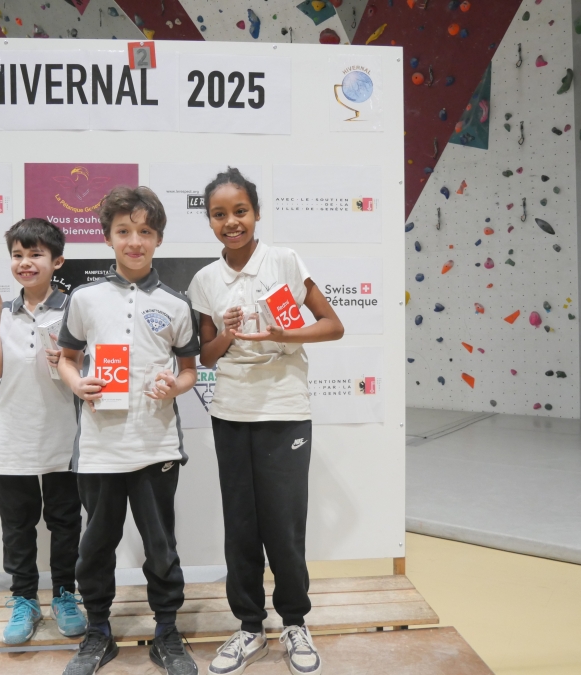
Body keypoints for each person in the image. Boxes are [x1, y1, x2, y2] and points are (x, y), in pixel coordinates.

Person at [187, 168, 344, 675]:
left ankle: (295, 622)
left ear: (256, 213)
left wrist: (284, 334)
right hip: (231, 411)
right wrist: (228, 334)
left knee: (284, 522)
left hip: (285, 408)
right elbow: (206, 356)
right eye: (220, 214)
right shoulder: (205, 280)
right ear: (210, 221)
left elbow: (333, 325)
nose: (231, 222)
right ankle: (249, 627)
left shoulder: (285, 261)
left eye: (240, 211)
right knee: (241, 524)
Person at [57, 186, 199, 675]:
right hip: (99, 449)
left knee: (161, 546)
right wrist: (78, 383)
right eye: (123, 231)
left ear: (158, 238)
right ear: (107, 237)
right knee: (95, 546)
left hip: (156, 447)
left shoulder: (176, 304)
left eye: (145, 231)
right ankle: (98, 632)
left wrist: (174, 386)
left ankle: (167, 632)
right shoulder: (84, 298)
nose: (134, 241)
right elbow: (68, 359)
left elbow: (189, 371)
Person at [0, 218, 86, 644]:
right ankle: (24, 599)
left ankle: (64, 595)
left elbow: (90, 368)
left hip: (64, 437)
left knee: (65, 522)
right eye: (18, 255)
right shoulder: (1, 312)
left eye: (36, 254)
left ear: (57, 261)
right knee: (17, 527)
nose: (25, 262)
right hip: (13, 437)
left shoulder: (75, 308)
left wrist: (69, 361)